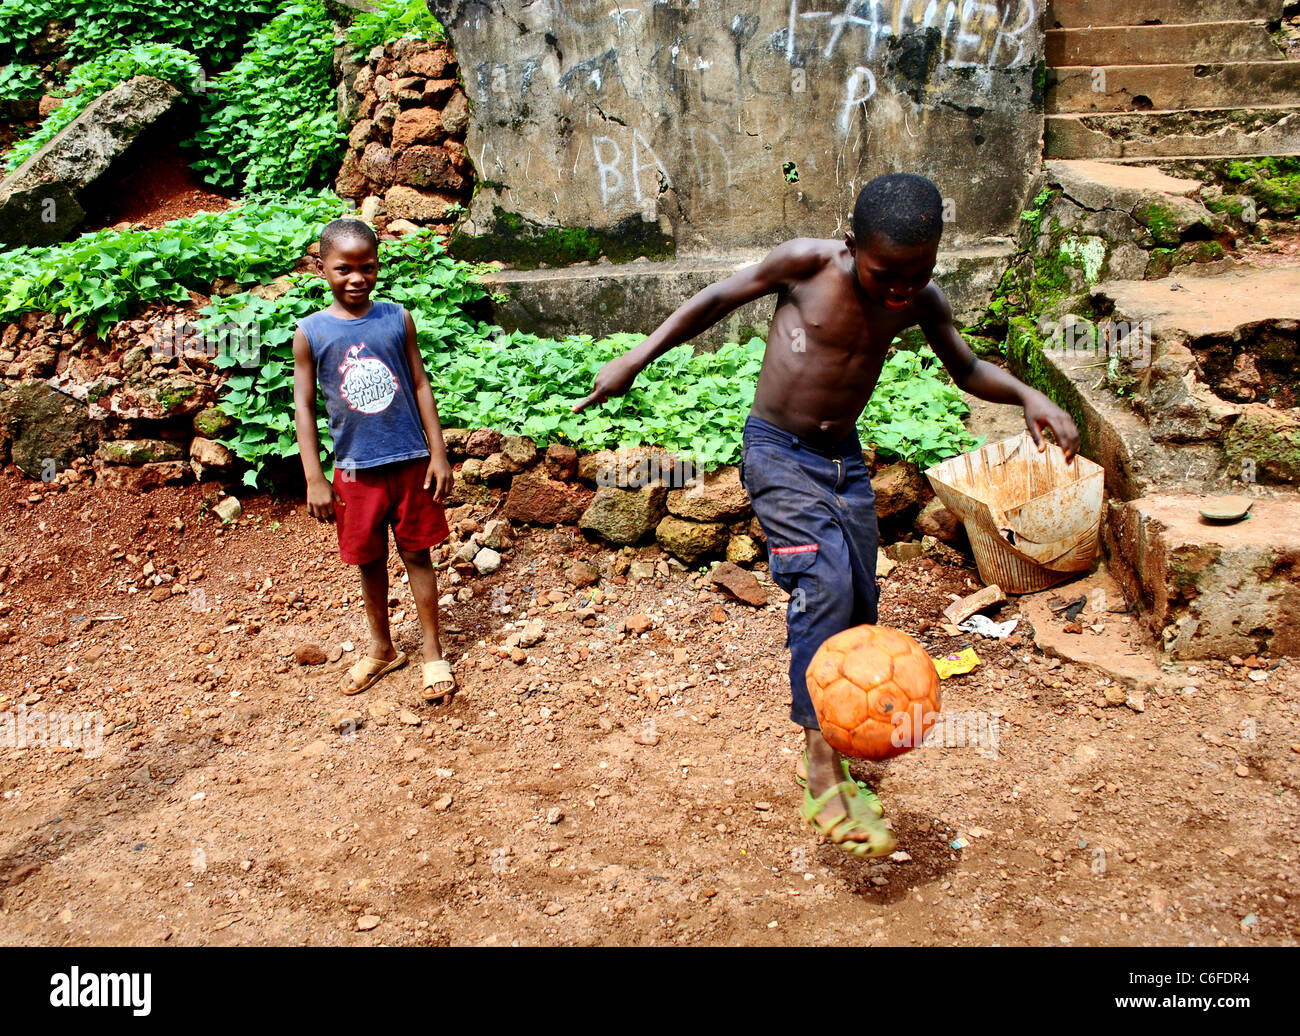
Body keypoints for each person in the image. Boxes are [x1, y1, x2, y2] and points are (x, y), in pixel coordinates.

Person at [574, 173, 1079, 856]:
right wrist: (636, 357)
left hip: (842, 461)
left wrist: (1026, 395)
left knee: (861, 603)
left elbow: (965, 367)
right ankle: (818, 765)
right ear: (851, 247)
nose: (901, 288)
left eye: (917, 273)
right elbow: (716, 299)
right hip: (779, 453)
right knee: (826, 587)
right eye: (886, 274)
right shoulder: (807, 264)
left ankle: (838, 743)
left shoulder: (917, 298)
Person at [292, 218, 458, 704]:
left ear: (378, 266)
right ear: (321, 267)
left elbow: (421, 384)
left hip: (410, 461)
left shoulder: (395, 318)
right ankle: (382, 648)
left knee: (417, 554)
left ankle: (432, 651)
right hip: (355, 471)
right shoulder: (311, 332)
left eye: (367, 267)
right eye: (344, 268)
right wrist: (314, 477)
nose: (356, 278)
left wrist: (439, 453)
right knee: (369, 560)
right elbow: (302, 406)